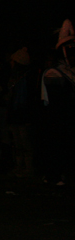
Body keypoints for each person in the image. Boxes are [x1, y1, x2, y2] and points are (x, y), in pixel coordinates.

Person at [40, 20, 75, 186]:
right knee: (56, 146)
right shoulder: (54, 73)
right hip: (58, 119)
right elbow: (58, 101)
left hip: (67, 119)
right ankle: (54, 175)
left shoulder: (70, 72)